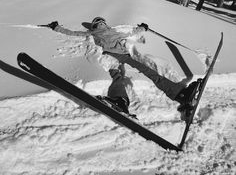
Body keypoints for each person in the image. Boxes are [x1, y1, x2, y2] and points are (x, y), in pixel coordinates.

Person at [44, 17, 196, 114]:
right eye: (99, 23)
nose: (101, 24)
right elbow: (74, 33)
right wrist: (57, 28)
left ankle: (179, 94)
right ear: (97, 25)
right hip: (114, 56)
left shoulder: (107, 32)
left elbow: (130, 32)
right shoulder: (100, 33)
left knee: (135, 73)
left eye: (101, 22)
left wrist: (143, 28)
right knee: (128, 74)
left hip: (121, 56)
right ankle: (120, 100)